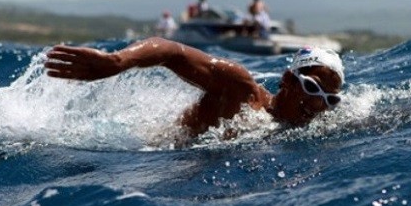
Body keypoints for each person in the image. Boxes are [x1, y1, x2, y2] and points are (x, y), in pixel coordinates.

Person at [44, 38, 344, 137]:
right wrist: (118, 61)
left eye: (330, 100)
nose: (318, 105)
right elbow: (172, 51)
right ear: (287, 80)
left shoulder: (308, 129)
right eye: (311, 87)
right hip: (140, 154)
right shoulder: (239, 90)